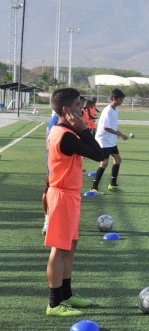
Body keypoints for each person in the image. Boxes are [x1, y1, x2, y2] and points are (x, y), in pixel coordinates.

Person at [44, 88, 104, 316]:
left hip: (69, 195)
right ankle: (54, 303)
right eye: (79, 104)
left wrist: (81, 128)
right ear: (67, 110)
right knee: (59, 249)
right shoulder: (66, 135)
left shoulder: (65, 131)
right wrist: (85, 129)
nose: (83, 108)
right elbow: (99, 155)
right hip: (61, 197)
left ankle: (66, 294)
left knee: (70, 245)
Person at [91, 89, 129, 193]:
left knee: (118, 160)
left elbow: (112, 126)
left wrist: (120, 134)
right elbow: (106, 127)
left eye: (122, 99)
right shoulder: (107, 110)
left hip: (111, 141)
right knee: (104, 163)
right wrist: (120, 134)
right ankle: (94, 187)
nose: (122, 101)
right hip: (103, 141)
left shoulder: (115, 109)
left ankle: (112, 184)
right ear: (113, 99)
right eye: (120, 99)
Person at [42, 111, 60, 235]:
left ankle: (55, 221)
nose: (80, 108)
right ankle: (47, 221)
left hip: (61, 164)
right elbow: (50, 145)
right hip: (56, 165)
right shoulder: (56, 121)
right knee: (49, 191)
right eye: (77, 104)